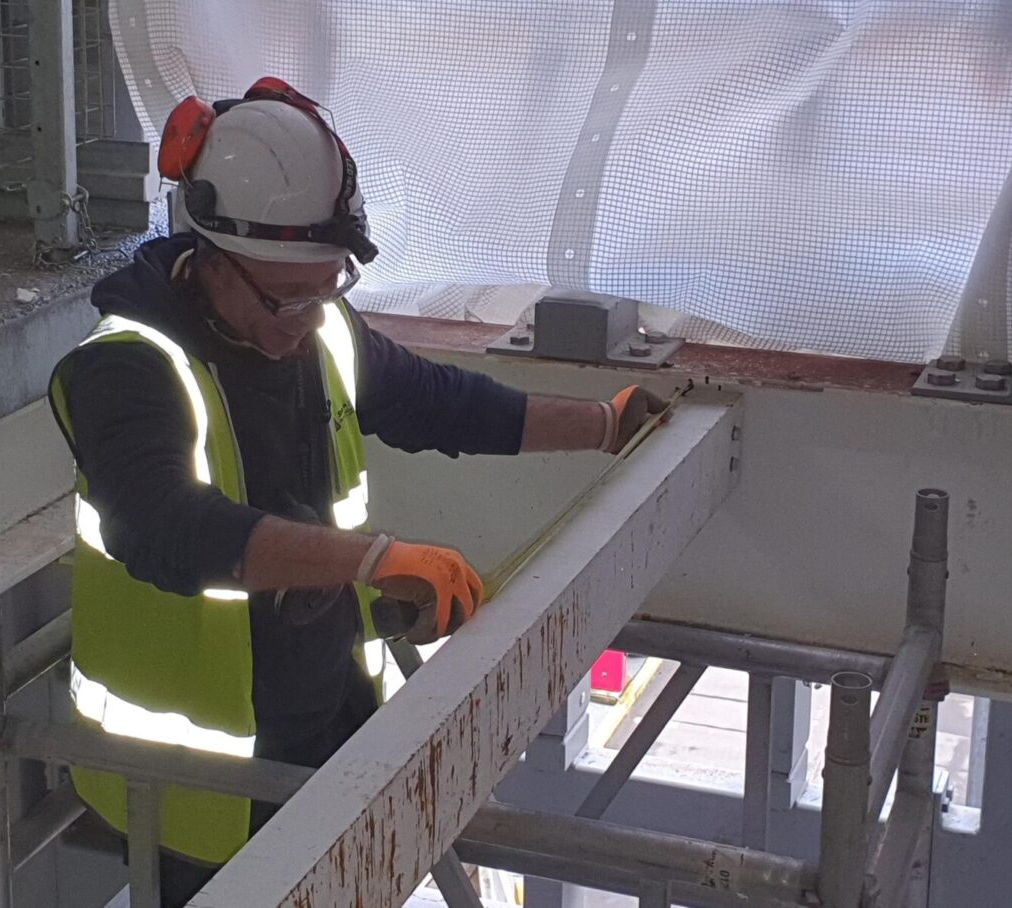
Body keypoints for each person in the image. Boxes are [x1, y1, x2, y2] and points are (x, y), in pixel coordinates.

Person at [46, 77, 667, 904]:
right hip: (197, 792)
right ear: (207, 254)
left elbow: (438, 402)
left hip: (327, 731)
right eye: (283, 296)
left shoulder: (317, 328)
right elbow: (166, 529)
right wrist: (372, 559)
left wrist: (602, 421)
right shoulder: (125, 368)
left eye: (326, 286)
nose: (304, 317)